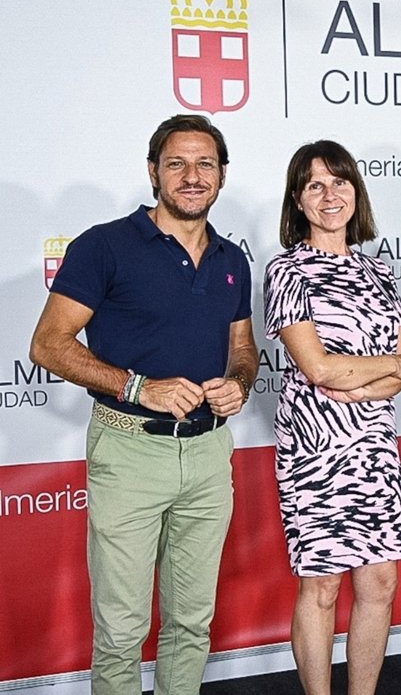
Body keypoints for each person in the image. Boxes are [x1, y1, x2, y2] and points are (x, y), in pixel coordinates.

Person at [28, 114, 257, 695]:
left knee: (192, 621)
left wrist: (239, 381)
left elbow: (243, 347)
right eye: (177, 163)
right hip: (129, 450)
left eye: (205, 164)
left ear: (222, 175)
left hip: (209, 454)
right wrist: (138, 387)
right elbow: (48, 345)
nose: (192, 176)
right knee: (122, 629)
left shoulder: (232, 259)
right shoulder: (104, 246)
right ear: (153, 172)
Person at [264, 140, 401, 695]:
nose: (330, 195)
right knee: (323, 588)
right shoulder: (287, 270)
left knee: (380, 583)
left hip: (374, 448)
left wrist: (363, 380)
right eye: (315, 185)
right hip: (315, 448)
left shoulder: (379, 273)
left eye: (339, 182)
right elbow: (318, 367)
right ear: (298, 200)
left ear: (356, 191)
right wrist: (386, 368)